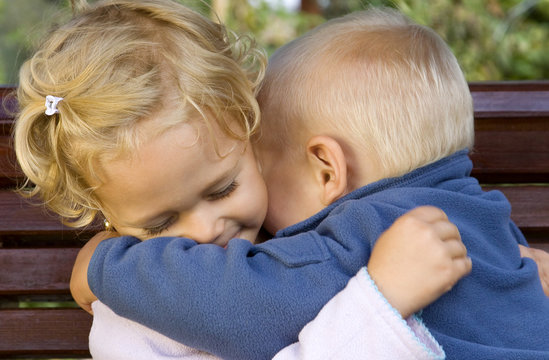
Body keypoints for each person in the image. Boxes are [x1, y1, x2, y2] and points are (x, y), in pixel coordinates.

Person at [66, 6, 549, 360]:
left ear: (326, 170)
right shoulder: (487, 218)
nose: (206, 230)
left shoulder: (366, 229)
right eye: (162, 221)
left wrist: (108, 266)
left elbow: (250, 305)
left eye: (224, 189)